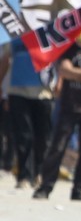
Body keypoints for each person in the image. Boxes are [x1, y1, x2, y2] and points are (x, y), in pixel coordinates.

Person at [32, 16, 81, 201]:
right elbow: (65, 70)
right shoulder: (69, 49)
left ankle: (79, 189)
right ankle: (45, 187)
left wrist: (77, 75)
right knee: (57, 147)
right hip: (69, 106)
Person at [0, 39, 56, 188]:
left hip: (44, 94)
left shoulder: (51, 36)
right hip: (18, 92)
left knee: (43, 137)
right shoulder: (15, 40)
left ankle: (38, 172)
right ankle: (23, 176)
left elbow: (58, 62)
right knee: (23, 136)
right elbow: (5, 61)